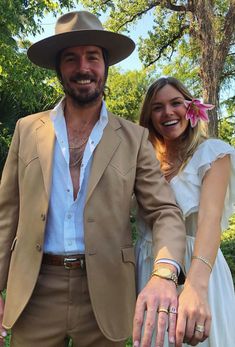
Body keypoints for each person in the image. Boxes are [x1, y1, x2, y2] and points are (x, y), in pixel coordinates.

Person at [0, 12, 187, 347]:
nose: (82, 68)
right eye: (71, 58)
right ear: (59, 68)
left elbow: (164, 211)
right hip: (35, 291)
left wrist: (165, 272)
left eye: (92, 57)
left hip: (107, 291)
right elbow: (6, 216)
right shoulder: (27, 130)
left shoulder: (134, 138)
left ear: (105, 66)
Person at [136, 76, 235, 347]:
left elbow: (209, 220)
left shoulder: (212, 154)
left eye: (176, 103)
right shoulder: (143, 162)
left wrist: (195, 287)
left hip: (197, 265)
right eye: (157, 107)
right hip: (150, 266)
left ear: (191, 108)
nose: (168, 112)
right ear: (149, 116)